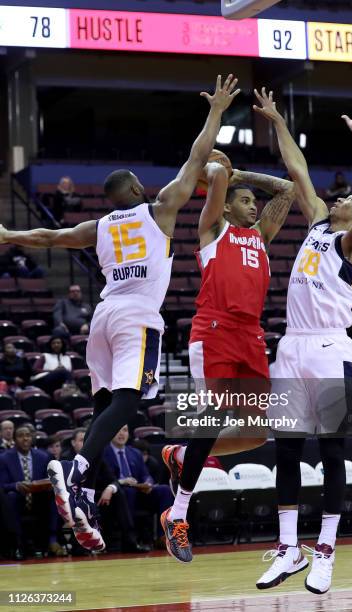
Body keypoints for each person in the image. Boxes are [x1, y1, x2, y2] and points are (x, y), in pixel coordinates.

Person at [0, 74, 240, 553]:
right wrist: (216, 111)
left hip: (102, 316)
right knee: (130, 404)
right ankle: (77, 471)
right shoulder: (160, 209)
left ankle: (83, 495)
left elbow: (48, 239)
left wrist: (7, 235)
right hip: (136, 316)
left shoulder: (98, 225)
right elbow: (197, 159)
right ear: (134, 187)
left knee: (106, 407)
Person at [253, 89, 352, 595]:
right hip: (291, 346)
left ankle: (325, 551)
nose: (343, 197)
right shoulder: (320, 222)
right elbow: (297, 168)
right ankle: (288, 549)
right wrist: (280, 122)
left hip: (329, 346)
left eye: (348, 197)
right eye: (343, 196)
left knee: (331, 452)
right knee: (284, 450)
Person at [161, 134, 296, 561]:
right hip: (215, 331)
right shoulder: (213, 229)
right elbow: (215, 175)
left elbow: (288, 189)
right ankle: (177, 515)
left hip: (251, 336)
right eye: (243, 200)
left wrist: (242, 175)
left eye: (254, 202)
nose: (253, 206)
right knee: (216, 415)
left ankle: (182, 453)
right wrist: (224, 174)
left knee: (256, 433)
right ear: (224, 207)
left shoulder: (262, 235)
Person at [0, 425, 66, 558]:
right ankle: (17, 545)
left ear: (32, 439)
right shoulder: (4, 458)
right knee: (11, 497)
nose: (25, 439)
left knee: (54, 495)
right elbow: (2, 485)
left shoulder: (44, 456)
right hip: (17, 500)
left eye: (28, 435)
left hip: (38, 499)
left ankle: (52, 541)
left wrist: (47, 484)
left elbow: (54, 479)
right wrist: (17, 485)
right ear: (14, 440)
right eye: (20, 436)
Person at [103, 425, 173, 545]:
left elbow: (145, 475)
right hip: (117, 494)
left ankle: (163, 537)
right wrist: (123, 481)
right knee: (128, 492)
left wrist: (148, 483)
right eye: (117, 430)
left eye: (124, 430)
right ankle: (130, 539)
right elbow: (104, 478)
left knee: (165, 490)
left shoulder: (135, 453)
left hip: (139, 492)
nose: (121, 434)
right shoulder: (103, 452)